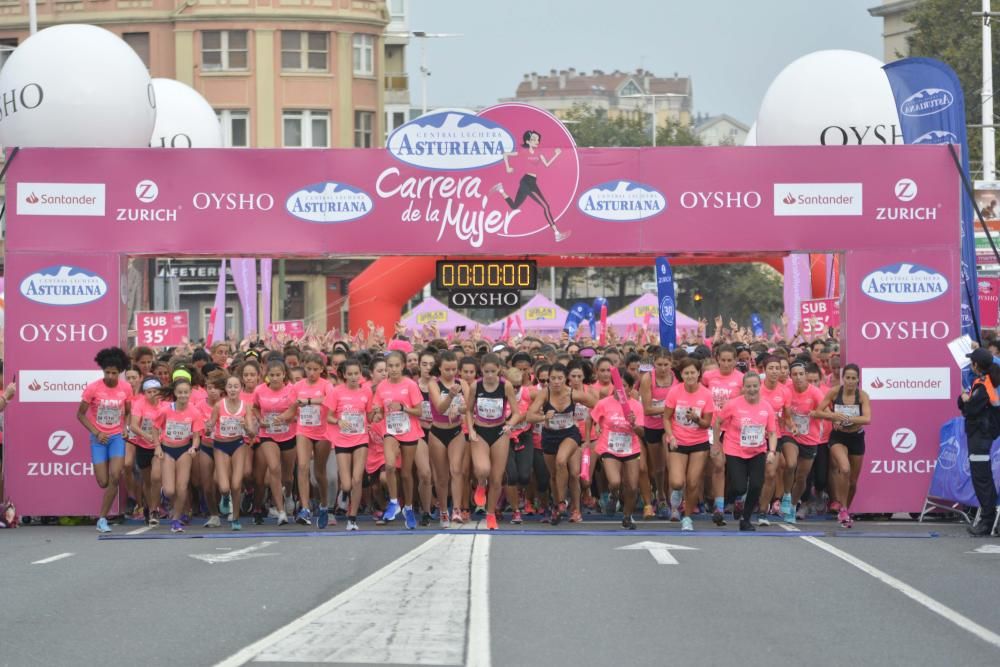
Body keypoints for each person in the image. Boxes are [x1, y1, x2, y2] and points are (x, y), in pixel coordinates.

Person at [77, 347, 133, 534]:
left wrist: (126, 428)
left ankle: (102, 518)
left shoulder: (126, 388)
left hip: (116, 437)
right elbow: (80, 415)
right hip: (98, 438)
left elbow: (129, 411)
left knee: (115, 476)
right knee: (103, 482)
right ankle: (104, 510)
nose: (110, 376)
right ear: (103, 371)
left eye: (114, 373)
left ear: (120, 372)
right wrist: (96, 432)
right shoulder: (93, 388)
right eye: (107, 372)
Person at [372, 351, 427, 529]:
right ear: (386, 367)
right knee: (389, 466)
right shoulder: (382, 387)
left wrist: (403, 408)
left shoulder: (410, 385)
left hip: (409, 431)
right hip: (391, 431)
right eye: (390, 366)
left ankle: (409, 508)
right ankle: (394, 502)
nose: (393, 369)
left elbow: (419, 412)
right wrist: (377, 413)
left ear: (403, 366)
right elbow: (378, 411)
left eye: (397, 366)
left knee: (405, 474)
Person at [717, 373, 778, 531]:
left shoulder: (766, 407)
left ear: (760, 386)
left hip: (758, 450)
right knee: (739, 487)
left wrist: (772, 451)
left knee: (757, 485)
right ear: (743, 388)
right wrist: (716, 444)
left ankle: (745, 519)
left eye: (755, 386)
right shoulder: (733, 404)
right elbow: (717, 422)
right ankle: (723, 504)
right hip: (734, 449)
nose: (752, 389)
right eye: (748, 386)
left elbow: (772, 432)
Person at [466, 353, 520, 530]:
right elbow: (468, 410)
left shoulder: (506, 386)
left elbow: (516, 412)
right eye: (486, 371)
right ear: (481, 370)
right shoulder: (476, 385)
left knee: (497, 478)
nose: (489, 375)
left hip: (499, 431)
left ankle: (490, 514)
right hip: (480, 431)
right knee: (483, 469)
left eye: (493, 371)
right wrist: (471, 429)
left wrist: (510, 424)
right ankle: (481, 484)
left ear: (499, 370)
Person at [586, 372, 643, 529]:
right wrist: (589, 436)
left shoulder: (636, 406)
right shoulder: (604, 403)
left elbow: (642, 433)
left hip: (631, 448)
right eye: (618, 386)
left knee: (632, 486)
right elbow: (590, 418)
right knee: (615, 481)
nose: (620, 389)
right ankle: (613, 494)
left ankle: (627, 516)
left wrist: (634, 424)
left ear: (630, 388)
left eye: (624, 386)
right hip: (609, 447)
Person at [816, 364, 871, 528]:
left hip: (856, 438)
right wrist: (833, 416)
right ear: (843, 378)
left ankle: (845, 507)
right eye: (848, 378)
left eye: (854, 378)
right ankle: (843, 509)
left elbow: (867, 419)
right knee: (844, 469)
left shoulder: (862, 396)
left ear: (858, 379)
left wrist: (845, 419)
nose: (850, 381)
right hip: (838, 437)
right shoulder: (834, 392)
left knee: (853, 481)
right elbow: (818, 411)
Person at [663, 358, 714, 531]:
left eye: (693, 372)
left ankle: (687, 517)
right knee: (677, 482)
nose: (690, 376)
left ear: (699, 373)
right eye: (686, 373)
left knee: (693, 483)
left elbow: (707, 423)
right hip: (678, 441)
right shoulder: (675, 392)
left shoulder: (706, 394)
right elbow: (666, 418)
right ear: (681, 375)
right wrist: (670, 436)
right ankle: (677, 492)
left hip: (699, 442)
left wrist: (697, 419)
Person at [492, 129, 570, 242]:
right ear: (528, 141)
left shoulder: (539, 153)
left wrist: (556, 155)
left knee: (514, 206)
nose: (536, 141)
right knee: (546, 206)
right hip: (527, 182)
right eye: (533, 139)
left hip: (531, 182)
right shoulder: (523, 152)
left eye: (537, 140)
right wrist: (507, 167)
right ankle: (557, 233)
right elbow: (505, 154)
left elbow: (547, 165)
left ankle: (501, 190)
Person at [326, 358, 373, 531]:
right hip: (342, 440)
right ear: (344, 375)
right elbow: (329, 416)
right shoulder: (336, 392)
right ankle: (344, 495)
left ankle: (352, 518)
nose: (354, 377)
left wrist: (375, 417)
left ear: (360, 374)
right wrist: (338, 421)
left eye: (356, 373)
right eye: (350, 374)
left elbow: (370, 415)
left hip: (361, 439)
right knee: (346, 484)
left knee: (357, 479)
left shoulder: (366, 392)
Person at [154, 372, 204, 533]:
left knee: (182, 488)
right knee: (170, 490)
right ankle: (165, 494)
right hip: (167, 449)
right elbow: (155, 429)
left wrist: (194, 448)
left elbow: (197, 436)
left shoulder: (195, 412)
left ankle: (176, 519)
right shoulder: (165, 410)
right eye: (180, 392)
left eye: (186, 392)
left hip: (184, 450)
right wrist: (158, 447)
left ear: (190, 393)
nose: (183, 395)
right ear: (175, 393)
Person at [252, 360, 299, 526]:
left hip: (288, 434)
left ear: (284, 375)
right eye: (272, 375)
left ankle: (288, 496)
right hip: (268, 434)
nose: (275, 378)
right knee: (273, 468)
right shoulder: (260, 390)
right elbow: (255, 407)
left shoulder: (291, 390)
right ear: (267, 376)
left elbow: (294, 409)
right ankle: (280, 511)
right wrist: (260, 419)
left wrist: (283, 418)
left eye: (278, 375)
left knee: (287, 477)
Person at [206, 374, 255, 531]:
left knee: (236, 484)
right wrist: (207, 428)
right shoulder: (219, 406)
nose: (233, 389)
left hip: (238, 444)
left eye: (236, 386)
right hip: (220, 445)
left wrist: (246, 427)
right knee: (225, 487)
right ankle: (225, 498)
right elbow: (210, 428)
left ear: (241, 389)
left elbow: (252, 433)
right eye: (230, 386)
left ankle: (235, 518)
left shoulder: (245, 406)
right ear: (225, 389)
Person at [960, 348, 1000, 536]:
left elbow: (970, 410)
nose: (970, 365)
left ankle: (987, 521)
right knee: (983, 478)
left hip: (980, 436)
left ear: (976, 365)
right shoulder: (984, 382)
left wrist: (965, 400)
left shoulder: (984, 384)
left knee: (981, 479)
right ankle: (990, 519)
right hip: (982, 435)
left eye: (972, 362)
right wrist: (964, 400)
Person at [702, 344, 743, 526]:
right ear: (717, 359)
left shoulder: (741, 379)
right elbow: (701, 395)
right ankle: (718, 507)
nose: (726, 364)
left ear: (735, 361)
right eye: (723, 360)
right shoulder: (708, 376)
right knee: (718, 465)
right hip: (713, 428)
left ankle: (736, 500)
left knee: (734, 470)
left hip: (733, 429)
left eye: (730, 360)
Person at [781, 362, 826, 524]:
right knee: (791, 464)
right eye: (795, 374)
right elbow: (783, 414)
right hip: (790, 434)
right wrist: (791, 423)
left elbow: (827, 413)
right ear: (790, 376)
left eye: (801, 374)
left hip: (810, 438)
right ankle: (786, 496)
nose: (798, 377)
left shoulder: (815, 393)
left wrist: (817, 413)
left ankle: (792, 506)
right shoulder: (786, 391)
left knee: (801, 477)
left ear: (806, 375)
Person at [293, 353, 335, 528]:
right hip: (303, 429)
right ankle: (304, 508)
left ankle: (324, 504)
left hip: (323, 432)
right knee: (302, 466)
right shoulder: (298, 386)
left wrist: (310, 401)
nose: (311, 373)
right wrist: (281, 417)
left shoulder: (326, 385)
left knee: (319, 473)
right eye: (308, 369)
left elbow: (331, 402)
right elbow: (293, 405)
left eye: (315, 370)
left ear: (322, 370)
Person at [639, 350, 673, 517]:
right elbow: (647, 409)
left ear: (671, 364)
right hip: (652, 425)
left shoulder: (675, 378)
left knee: (670, 463)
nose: (663, 368)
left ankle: (673, 501)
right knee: (658, 468)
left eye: (666, 364)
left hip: (670, 426)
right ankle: (660, 494)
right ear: (654, 365)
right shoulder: (647, 379)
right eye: (659, 365)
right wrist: (668, 409)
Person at [129, 377, 164, 527]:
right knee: (147, 480)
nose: (152, 394)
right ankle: (150, 509)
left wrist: (157, 439)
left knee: (156, 477)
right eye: (149, 392)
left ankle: (154, 509)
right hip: (143, 445)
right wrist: (147, 435)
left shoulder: (165, 406)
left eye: (155, 391)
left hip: (158, 446)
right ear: (144, 393)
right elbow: (133, 425)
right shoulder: (139, 404)